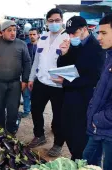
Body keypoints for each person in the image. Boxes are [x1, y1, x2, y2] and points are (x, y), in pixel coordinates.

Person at [55, 16, 105, 160]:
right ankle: (75, 155)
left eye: (74, 33)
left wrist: (65, 82)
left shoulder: (97, 48)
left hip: (85, 97)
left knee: (79, 131)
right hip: (69, 95)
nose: (71, 36)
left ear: (84, 29)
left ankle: (80, 159)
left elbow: (94, 78)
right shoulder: (74, 44)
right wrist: (63, 54)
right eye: (69, 33)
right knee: (66, 126)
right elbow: (64, 67)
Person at [27, 8, 69, 157]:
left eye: (57, 20)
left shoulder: (67, 38)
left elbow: (72, 63)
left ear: (62, 21)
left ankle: (58, 143)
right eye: (51, 21)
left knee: (59, 117)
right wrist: (32, 78)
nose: (54, 23)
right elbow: (37, 61)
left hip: (59, 85)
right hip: (41, 81)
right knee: (35, 109)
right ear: (46, 22)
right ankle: (39, 135)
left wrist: (66, 80)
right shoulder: (43, 37)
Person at [82, 14, 112, 170]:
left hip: (106, 128)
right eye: (99, 32)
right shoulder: (109, 56)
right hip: (99, 127)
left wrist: (99, 118)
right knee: (87, 161)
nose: (99, 37)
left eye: (104, 33)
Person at [20, 28, 39, 118]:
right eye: (30, 34)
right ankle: (26, 110)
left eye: (34, 34)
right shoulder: (26, 46)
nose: (32, 36)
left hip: (38, 75)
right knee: (26, 93)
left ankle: (35, 111)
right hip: (27, 74)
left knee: (36, 95)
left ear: (38, 35)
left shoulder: (41, 47)